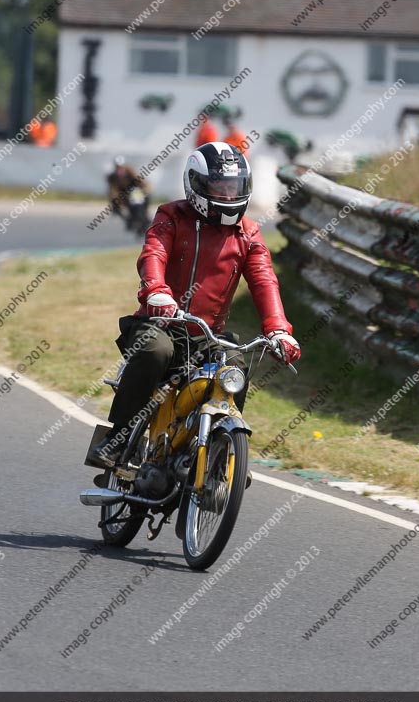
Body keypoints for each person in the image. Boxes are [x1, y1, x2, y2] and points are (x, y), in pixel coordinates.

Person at [90, 142, 301, 467]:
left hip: (207, 336)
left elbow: (264, 280)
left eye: (234, 187)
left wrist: (279, 330)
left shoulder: (249, 233)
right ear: (197, 184)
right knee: (154, 352)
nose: (228, 195)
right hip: (159, 324)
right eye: (220, 187)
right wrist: (156, 291)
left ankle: (222, 454)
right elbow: (153, 253)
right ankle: (118, 438)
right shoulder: (172, 216)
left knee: (235, 367)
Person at [106, 156, 150, 228]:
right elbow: (112, 190)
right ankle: (127, 219)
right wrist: (115, 198)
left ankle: (145, 215)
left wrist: (145, 188)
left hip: (135, 192)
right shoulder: (112, 177)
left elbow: (141, 181)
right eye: (117, 167)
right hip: (123, 195)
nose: (119, 169)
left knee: (146, 198)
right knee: (115, 206)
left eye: (121, 167)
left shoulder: (130, 171)